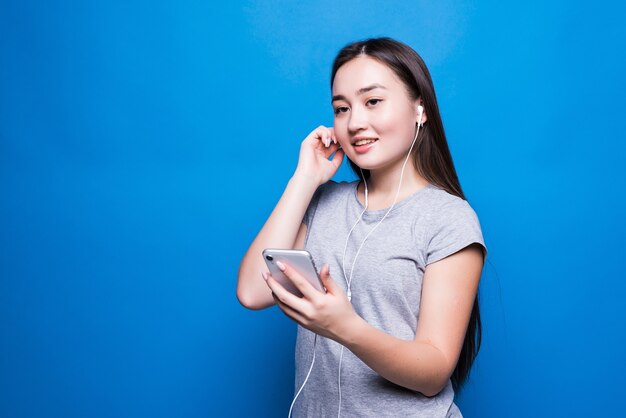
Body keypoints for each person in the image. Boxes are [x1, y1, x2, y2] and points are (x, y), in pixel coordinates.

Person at [237, 37, 486, 417]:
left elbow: (433, 372)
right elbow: (253, 291)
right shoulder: (326, 202)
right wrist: (305, 178)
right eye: (341, 108)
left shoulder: (448, 218)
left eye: (373, 101)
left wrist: (345, 327)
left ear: (419, 108)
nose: (355, 122)